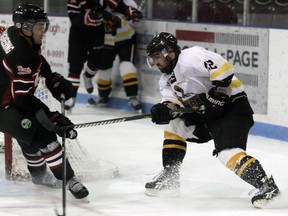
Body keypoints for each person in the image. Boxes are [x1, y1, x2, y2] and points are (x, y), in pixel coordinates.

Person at [144, 32, 280, 208]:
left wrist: (217, 96)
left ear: (169, 52)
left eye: (156, 57)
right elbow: (172, 103)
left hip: (233, 108)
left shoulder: (191, 56)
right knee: (174, 125)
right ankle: (170, 176)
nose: (155, 62)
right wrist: (163, 109)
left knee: (227, 154)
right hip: (208, 114)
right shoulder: (166, 80)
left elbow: (224, 69)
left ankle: (267, 186)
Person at [0, 3, 88, 199]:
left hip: (8, 100)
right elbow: (22, 100)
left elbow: (36, 59)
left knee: (28, 139)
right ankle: (70, 180)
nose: (44, 31)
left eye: (44, 25)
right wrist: (51, 116)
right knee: (45, 137)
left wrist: (50, 76)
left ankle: (39, 177)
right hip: (4, 106)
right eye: (40, 27)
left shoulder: (13, 33)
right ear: (25, 27)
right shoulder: (21, 56)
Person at [65, 0, 142, 111]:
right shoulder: (75, 1)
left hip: (115, 36)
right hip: (87, 35)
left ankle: (132, 96)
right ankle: (73, 97)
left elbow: (122, 7)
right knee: (79, 67)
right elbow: (75, 19)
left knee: (111, 65)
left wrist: (131, 12)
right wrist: (95, 17)